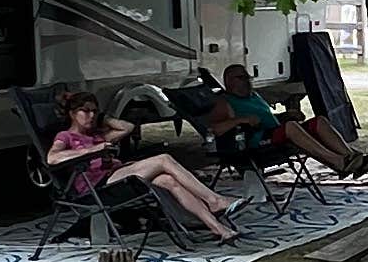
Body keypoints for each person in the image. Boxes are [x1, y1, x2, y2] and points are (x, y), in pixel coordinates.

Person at [46, 89, 245, 243]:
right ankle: (214, 200)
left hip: (116, 175)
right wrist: (88, 151)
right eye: (85, 111)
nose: (90, 115)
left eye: (93, 111)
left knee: (168, 180)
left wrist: (102, 117)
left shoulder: (97, 135)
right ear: (72, 114)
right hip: (98, 186)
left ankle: (218, 229)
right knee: (164, 160)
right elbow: (52, 158)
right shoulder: (66, 137)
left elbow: (127, 127)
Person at [217, 55, 368, 177]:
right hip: (256, 142)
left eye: (248, 78)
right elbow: (215, 129)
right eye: (242, 78)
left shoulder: (254, 96)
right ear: (229, 81)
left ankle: (353, 158)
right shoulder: (224, 102)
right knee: (290, 128)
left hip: (275, 132)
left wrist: (285, 115)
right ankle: (337, 162)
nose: (248, 81)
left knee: (319, 122)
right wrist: (241, 119)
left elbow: (267, 118)